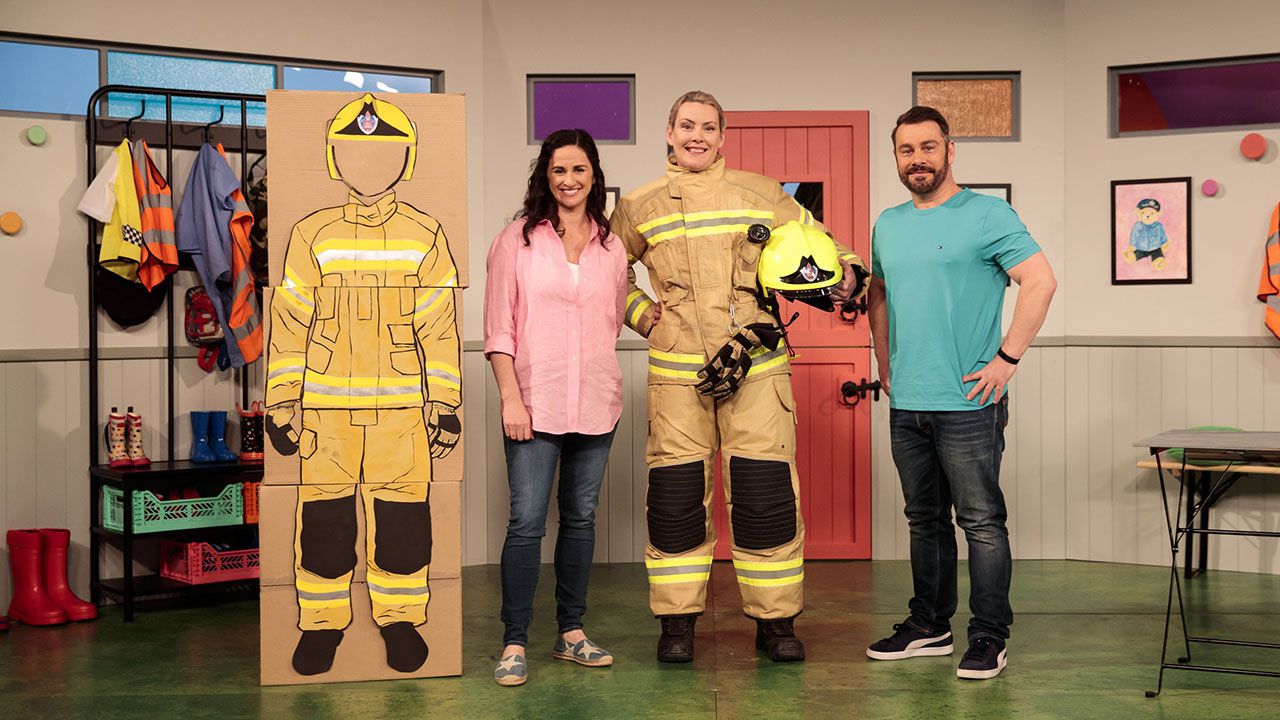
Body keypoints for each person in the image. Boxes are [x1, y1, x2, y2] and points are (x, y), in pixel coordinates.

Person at [611, 90, 867, 663]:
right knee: (675, 499)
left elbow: (822, 245)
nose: (697, 136)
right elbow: (607, 275)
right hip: (677, 377)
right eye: (686, 126)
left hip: (756, 368)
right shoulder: (637, 206)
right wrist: (646, 318)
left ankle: (776, 624)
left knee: (764, 493)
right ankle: (677, 624)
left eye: (708, 127)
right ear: (670, 134)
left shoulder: (761, 194)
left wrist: (847, 275)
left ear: (723, 137)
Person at [864, 106, 1056, 680]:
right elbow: (879, 293)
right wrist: (884, 361)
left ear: (950, 151)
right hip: (908, 402)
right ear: (896, 157)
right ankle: (930, 625)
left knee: (981, 522)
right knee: (924, 520)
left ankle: (989, 635)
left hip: (970, 403)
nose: (917, 159)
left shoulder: (989, 215)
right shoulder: (888, 223)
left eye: (928, 147)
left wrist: (1007, 358)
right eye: (906, 150)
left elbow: (1040, 280)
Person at [484, 129, 627, 686]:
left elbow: (612, 320)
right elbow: (499, 329)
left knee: (580, 518)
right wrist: (511, 399)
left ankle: (572, 633)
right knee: (526, 522)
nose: (569, 180)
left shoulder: (611, 247)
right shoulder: (515, 241)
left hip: (596, 402)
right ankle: (514, 641)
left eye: (579, 170)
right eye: (559, 170)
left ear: (594, 176)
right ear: (545, 176)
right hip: (533, 404)